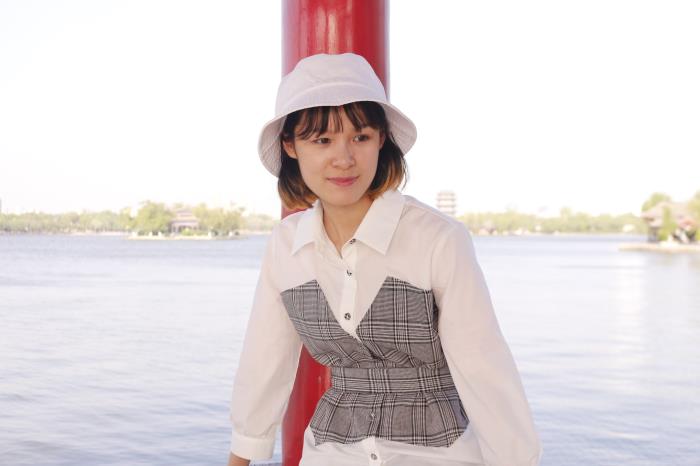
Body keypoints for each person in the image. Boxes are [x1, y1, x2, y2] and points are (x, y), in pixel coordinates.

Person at [226, 53, 542, 466]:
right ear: (291, 146)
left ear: (381, 140)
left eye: (360, 137)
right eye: (322, 141)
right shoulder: (285, 245)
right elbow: (264, 364)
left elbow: (484, 370)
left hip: (439, 454)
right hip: (332, 452)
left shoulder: (437, 239)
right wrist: (242, 456)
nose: (344, 159)